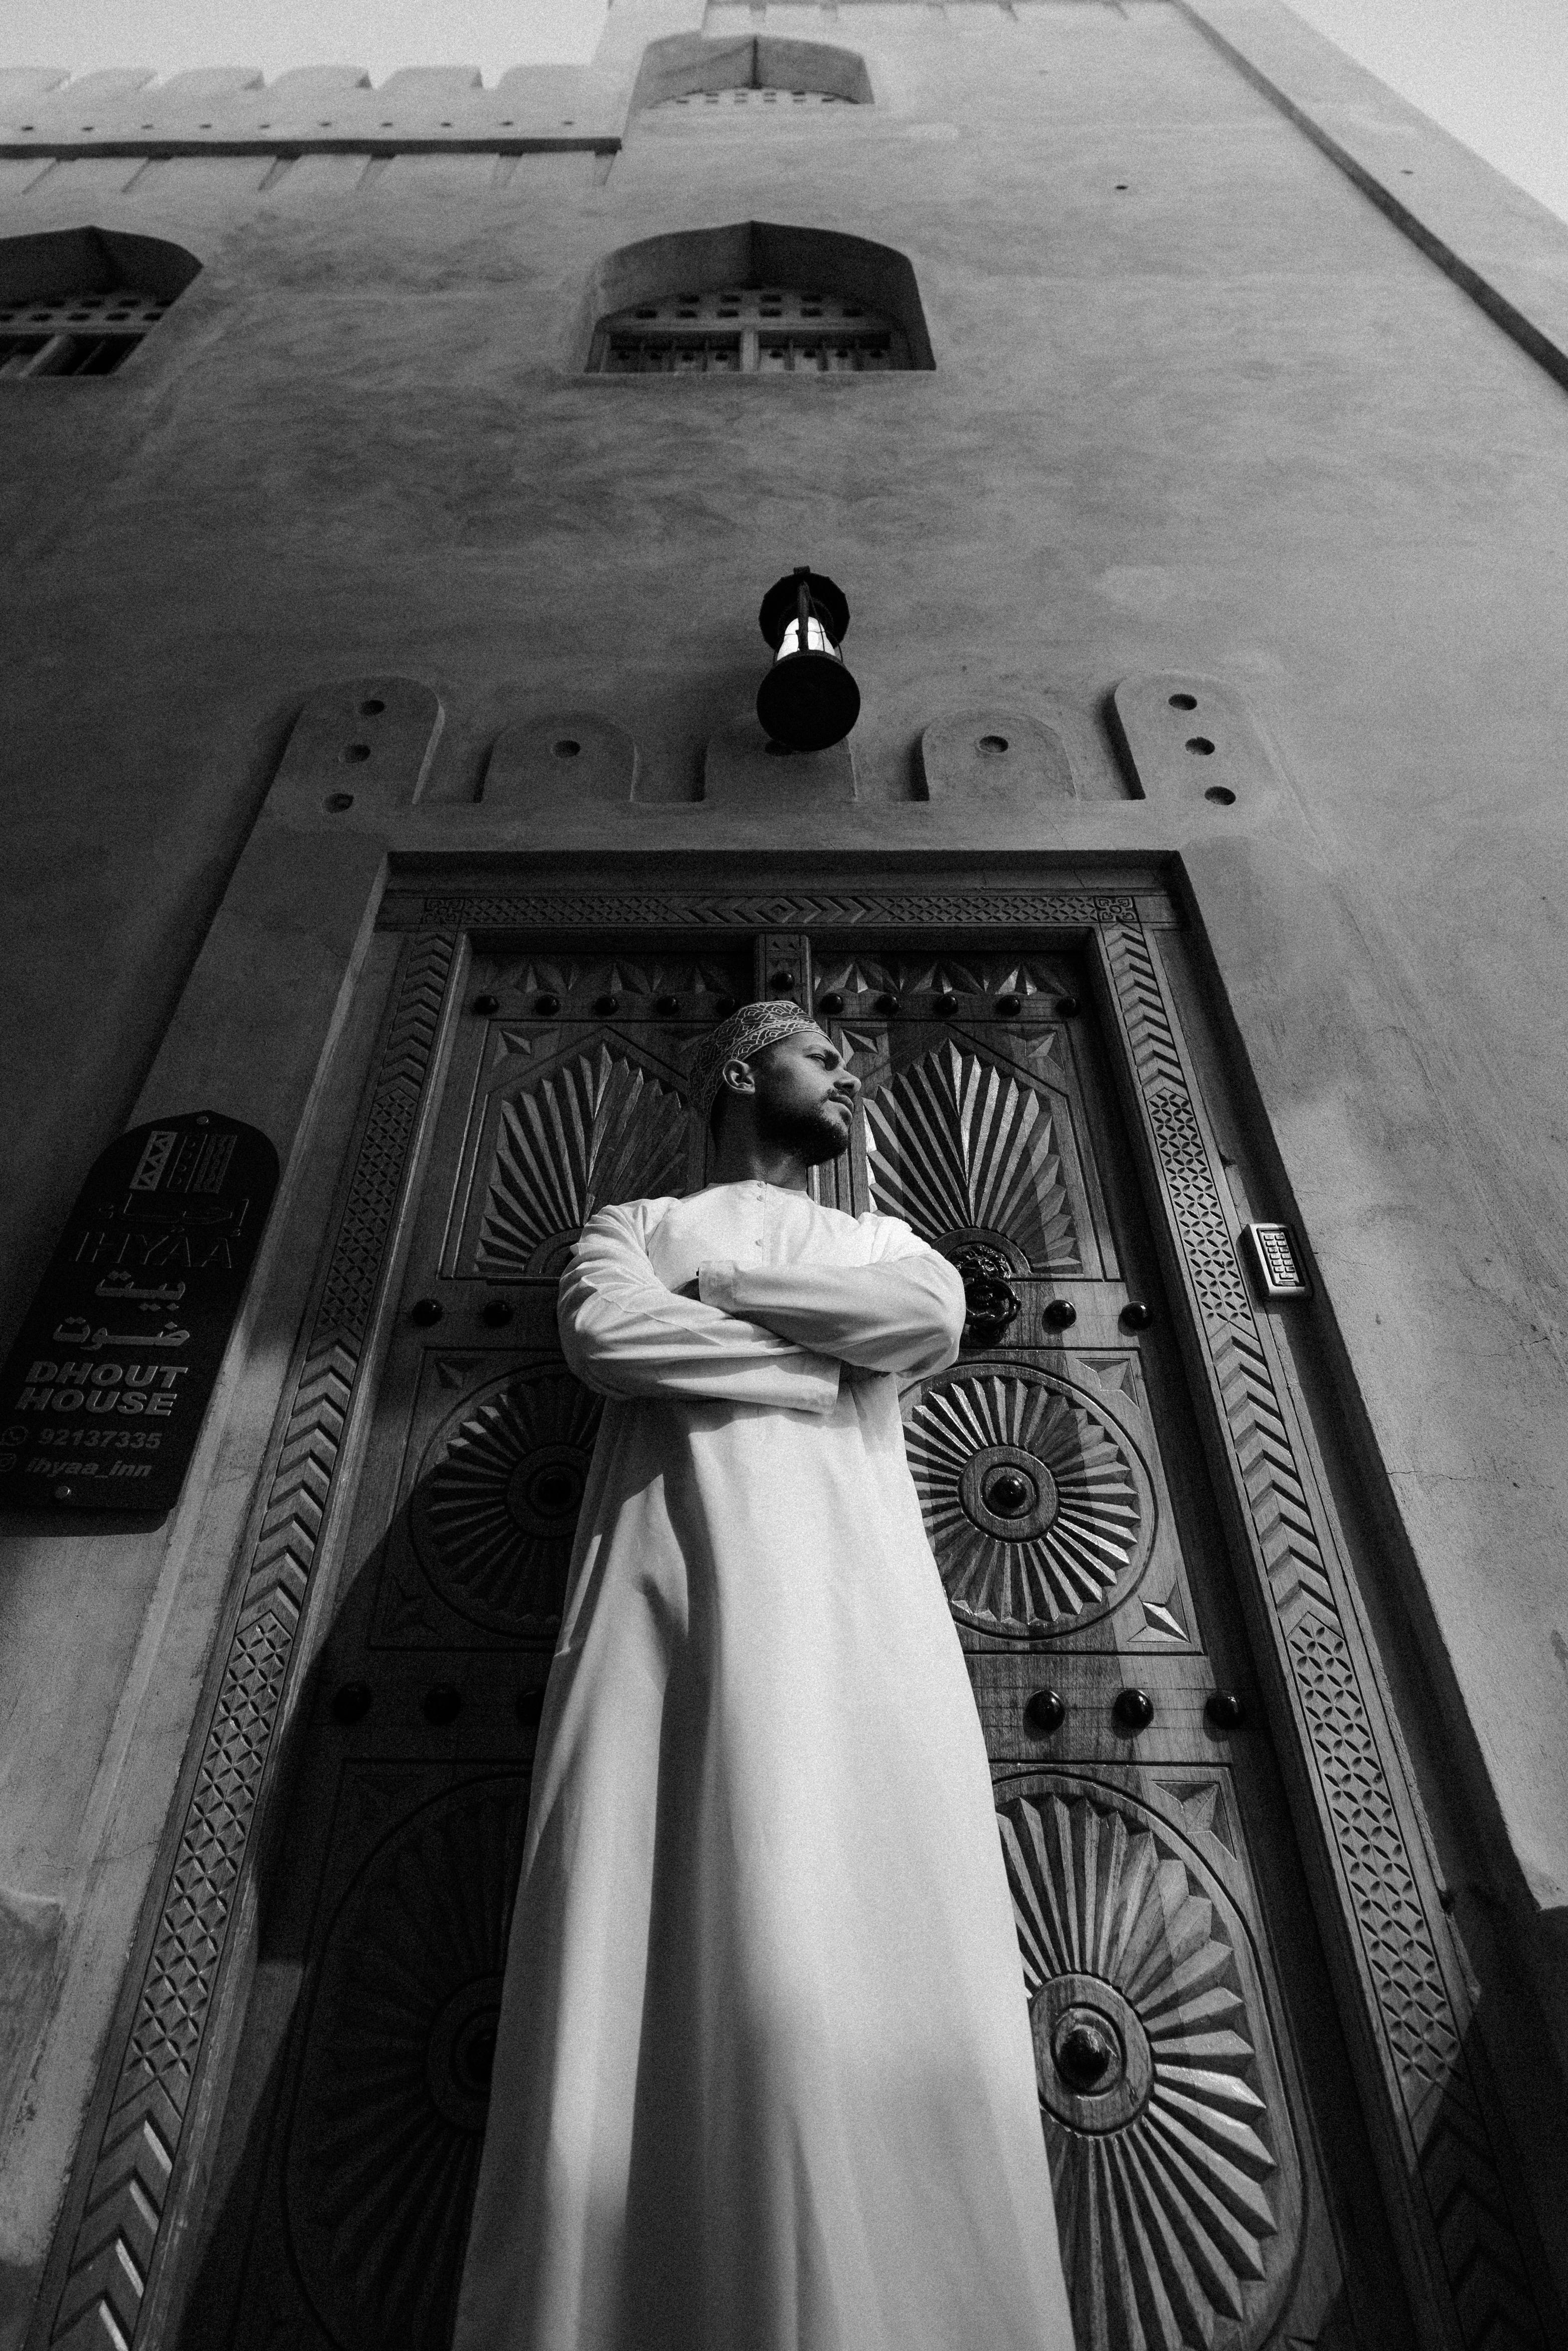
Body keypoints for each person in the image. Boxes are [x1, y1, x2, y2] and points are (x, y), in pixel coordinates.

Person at [453, 1001, 1074, 2351]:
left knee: (865, 1902)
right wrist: (819, 1368)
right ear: (743, 1072)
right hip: (666, 1595)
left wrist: (726, 1290)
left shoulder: (881, 1240)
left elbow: (926, 1316)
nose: (850, 1074)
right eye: (822, 1056)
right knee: (645, 1897)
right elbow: (609, 1339)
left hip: (856, 1602)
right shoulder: (631, 1225)